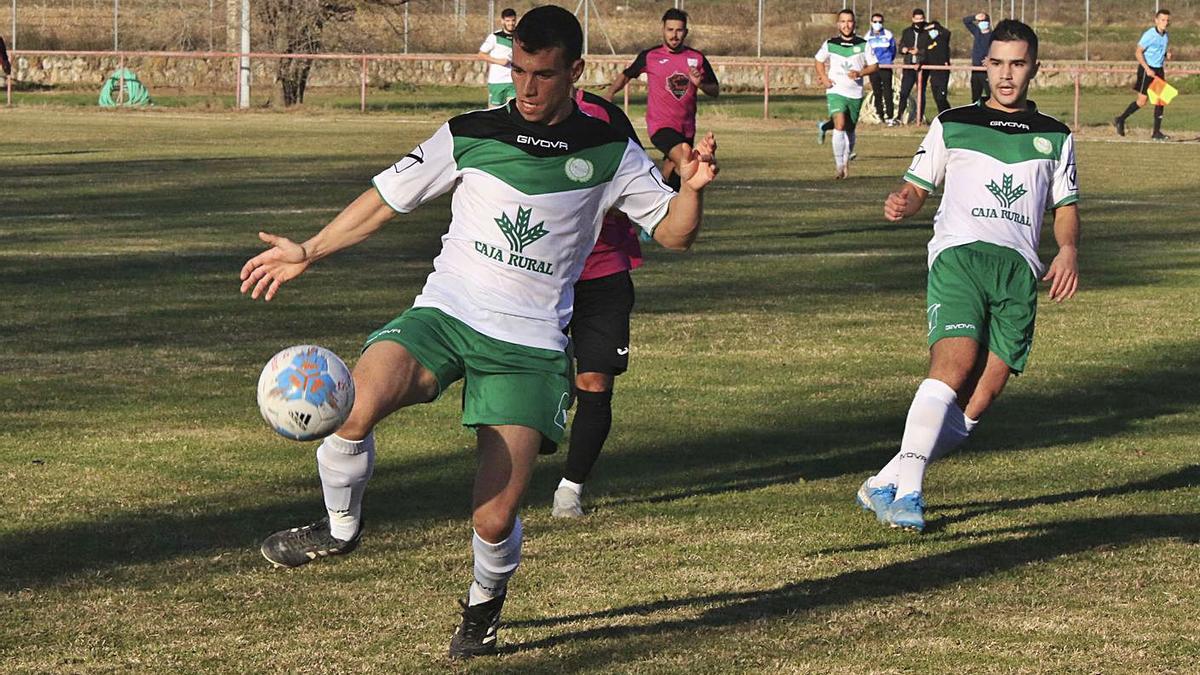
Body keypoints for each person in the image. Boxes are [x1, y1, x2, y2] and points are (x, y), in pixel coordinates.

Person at [238, 5, 719, 658]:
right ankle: (340, 527)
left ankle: (483, 611)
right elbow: (385, 198)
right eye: (518, 70)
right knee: (351, 406)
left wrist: (690, 189)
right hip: (444, 316)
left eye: (543, 75)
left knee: (492, 516)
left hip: (528, 349)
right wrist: (309, 251)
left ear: (575, 72)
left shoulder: (609, 152)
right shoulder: (470, 132)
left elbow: (674, 233)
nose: (526, 88)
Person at [855, 19, 1080, 533]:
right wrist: (903, 202)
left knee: (980, 398)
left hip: (1019, 270)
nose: (1006, 75)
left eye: (1017, 64)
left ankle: (885, 480)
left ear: (1034, 69)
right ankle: (910, 493)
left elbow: (1065, 206)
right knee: (953, 364)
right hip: (960, 256)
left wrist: (1066, 250)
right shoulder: (952, 123)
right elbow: (917, 185)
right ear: (985, 65)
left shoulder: (1056, 136)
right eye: (997, 63)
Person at [551, 87, 645, 518]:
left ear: (574, 71)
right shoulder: (513, 123)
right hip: (537, 273)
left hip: (603, 271)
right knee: (535, 384)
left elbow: (643, 184)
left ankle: (570, 489)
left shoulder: (606, 119)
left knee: (595, 383)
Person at [604, 8, 719, 191]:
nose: (674, 35)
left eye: (679, 30)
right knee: (684, 158)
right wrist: (609, 94)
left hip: (686, 128)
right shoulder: (650, 56)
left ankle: (660, 195)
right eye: (670, 30)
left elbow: (715, 90)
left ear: (686, 32)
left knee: (674, 180)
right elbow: (626, 75)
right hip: (660, 126)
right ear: (663, 30)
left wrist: (700, 83)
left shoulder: (696, 58)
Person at [815, 9, 878, 180]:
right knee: (839, 124)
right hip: (835, 90)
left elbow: (874, 65)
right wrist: (823, 77)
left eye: (849, 21)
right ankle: (839, 166)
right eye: (843, 21)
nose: (846, 25)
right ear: (838, 24)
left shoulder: (863, 44)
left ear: (854, 23)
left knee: (850, 129)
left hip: (855, 93)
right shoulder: (830, 43)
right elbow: (819, 60)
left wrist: (860, 73)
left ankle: (846, 162)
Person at [1113, 9, 1172, 140]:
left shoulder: (1166, 35)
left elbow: (1158, 51)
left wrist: (1166, 54)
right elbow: (1138, 52)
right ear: (1156, 20)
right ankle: (1120, 119)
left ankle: (1156, 132)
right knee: (1142, 101)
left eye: (1167, 20)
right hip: (1147, 70)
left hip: (1158, 70)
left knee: (1161, 100)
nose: (1165, 22)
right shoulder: (1149, 35)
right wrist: (1147, 68)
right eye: (1162, 20)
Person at [477, 7, 519, 108]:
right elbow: (481, 54)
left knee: (514, 111)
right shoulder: (495, 37)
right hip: (497, 82)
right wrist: (499, 61)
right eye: (508, 20)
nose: (511, 23)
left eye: (513, 20)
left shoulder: (520, 37)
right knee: (494, 113)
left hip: (513, 81)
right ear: (502, 21)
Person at [893, 8, 929, 124]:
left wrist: (920, 52)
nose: (919, 21)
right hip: (909, 67)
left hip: (922, 67)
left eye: (921, 19)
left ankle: (920, 118)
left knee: (921, 93)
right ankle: (899, 117)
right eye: (917, 19)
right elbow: (901, 47)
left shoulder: (928, 31)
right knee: (904, 92)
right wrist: (904, 49)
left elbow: (931, 49)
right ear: (913, 19)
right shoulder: (907, 32)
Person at [865, 12, 897, 126]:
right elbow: (865, 52)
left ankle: (890, 117)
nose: (877, 24)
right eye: (875, 21)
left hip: (885, 66)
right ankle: (880, 115)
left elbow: (893, 50)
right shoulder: (867, 36)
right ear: (871, 22)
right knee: (877, 92)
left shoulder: (888, 35)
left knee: (888, 91)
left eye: (880, 22)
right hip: (873, 67)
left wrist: (887, 61)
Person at [922, 19, 952, 114]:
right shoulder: (928, 42)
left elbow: (947, 32)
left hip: (943, 73)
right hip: (933, 74)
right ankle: (943, 115)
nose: (931, 32)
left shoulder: (942, 39)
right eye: (929, 30)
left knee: (941, 97)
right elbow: (926, 57)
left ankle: (948, 113)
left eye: (933, 29)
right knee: (936, 98)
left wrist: (936, 26)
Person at [963, 12, 993, 102]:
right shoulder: (977, 32)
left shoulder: (993, 36)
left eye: (983, 21)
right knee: (975, 97)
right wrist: (975, 16)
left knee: (990, 95)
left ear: (988, 22)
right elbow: (966, 21)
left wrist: (991, 59)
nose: (981, 23)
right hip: (976, 69)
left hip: (987, 70)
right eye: (979, 21)